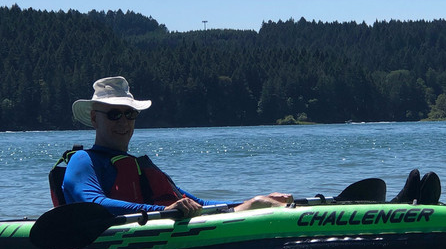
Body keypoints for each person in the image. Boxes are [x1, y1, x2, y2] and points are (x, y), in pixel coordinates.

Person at [60, 76, 293, 216]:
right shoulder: (83, 160)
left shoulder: (138, 167)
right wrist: (164, 211)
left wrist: (252, 202)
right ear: (94, 119)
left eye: (129, 114)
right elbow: (93, 204)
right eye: (113, 114)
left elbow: (197, 204)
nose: (123, 122)